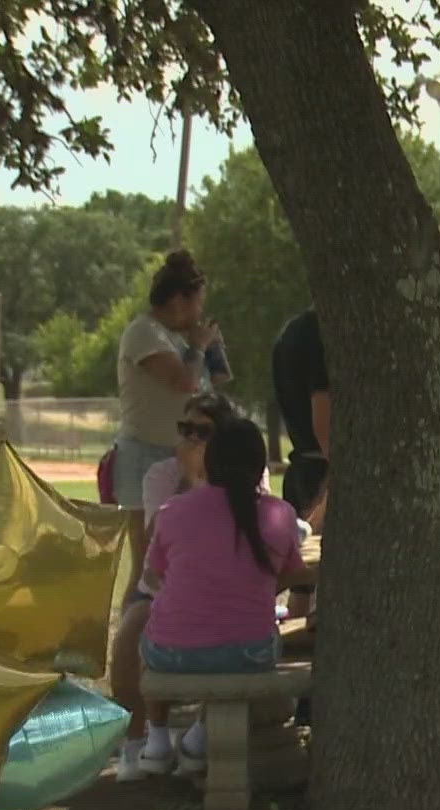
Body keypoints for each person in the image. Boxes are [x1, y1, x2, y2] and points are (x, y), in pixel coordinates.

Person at [138, 417, 306, 772]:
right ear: (260, 465)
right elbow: (291, 573)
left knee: (150, 634)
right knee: (232, 643)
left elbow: (155, 574)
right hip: (249, 653)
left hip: (170, 653)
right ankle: (199, 736)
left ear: (209, 463)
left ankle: (156, 741)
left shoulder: (173, 511)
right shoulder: (281, 514)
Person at [111, 393, 244, 779]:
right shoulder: (162, 475)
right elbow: (157, 540)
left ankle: (200, 733)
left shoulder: (247, 473)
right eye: (184, 429)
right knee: (130, 632)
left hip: (216, 589)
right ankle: (141, 742)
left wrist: (211, 478)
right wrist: (190, 479)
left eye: (201, 431)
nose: (188, 438)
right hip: (160, 586)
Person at [113, 250, 226, 602]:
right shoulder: (144, 333)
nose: (199, 313)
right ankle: (132, 643)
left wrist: (214, 349)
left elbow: (219, 381)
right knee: (149, 562)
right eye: (197, 303)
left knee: (189, 555)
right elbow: (184, 383)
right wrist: (198, 346)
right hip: (146, 453)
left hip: (187, 455)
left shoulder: (182, 337)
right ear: (178, 301)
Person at [270, 308, 329, 519]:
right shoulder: (320, 331)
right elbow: (323, 414)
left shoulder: (292, 329)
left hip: (301, 469)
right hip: (321, 474)